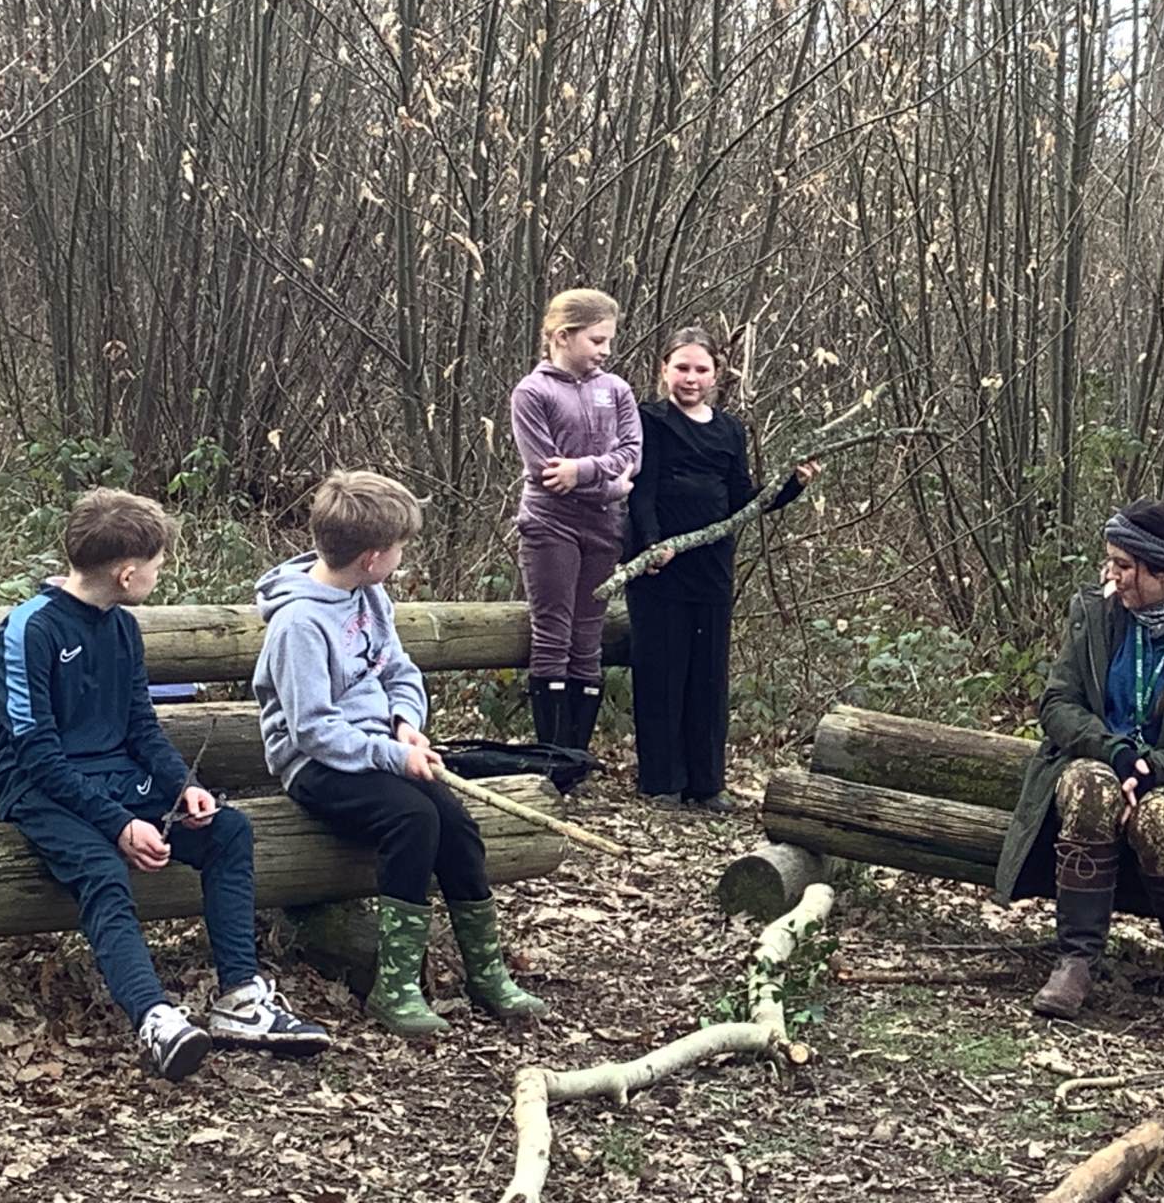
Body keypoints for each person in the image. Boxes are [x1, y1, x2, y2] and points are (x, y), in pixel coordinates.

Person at [0, 489, 328, 1080]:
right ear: (126, 573)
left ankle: (240, 999)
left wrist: (182, 786)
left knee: (228, 831)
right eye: (158, 564)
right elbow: (34, 752)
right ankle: (155, 1019)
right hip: (37, 789)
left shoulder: (122, 628)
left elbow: (141, 727)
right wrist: (119, 825)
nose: (160, 573)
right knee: (102, 870)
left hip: (116, 778)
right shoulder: (28, 630)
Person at [254, 469, 548, 1036]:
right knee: (412, 819)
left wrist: (405, 724)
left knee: (456, 824)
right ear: (372, 557)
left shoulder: (370, 596)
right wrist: (392, 756)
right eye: (399, 548)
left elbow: (398, 671)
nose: (401, 556)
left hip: (379, 747)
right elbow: (313, 730)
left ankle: (487, 973)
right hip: (315, 764)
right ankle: (395, 987)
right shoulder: (298, 624)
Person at [995, 500, 1164, 1029]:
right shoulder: (1096, 612)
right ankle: (1076, 961)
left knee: (1159, 816)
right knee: (1090, 786)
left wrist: (1153, 769)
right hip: (1096, 764)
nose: (1111, 575)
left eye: (1123, 565)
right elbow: (1057, 704)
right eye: (1110, 562)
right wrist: (1116, 754)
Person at [625, 327, 817, 811]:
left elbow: (742, 501)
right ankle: (662, 781)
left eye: (701, 369)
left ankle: (706, 783)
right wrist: (651, 544)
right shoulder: (649, 420)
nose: (691, 378)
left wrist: (792, 486)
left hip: (711, 566)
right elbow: (641, 492)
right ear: (664, 369)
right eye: (682, 368)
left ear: (716, 375)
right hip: (660, 566)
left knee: (708, 676)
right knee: (662, 673)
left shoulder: (730, 430)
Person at [509, 287, 642, 751]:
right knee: (553, 632)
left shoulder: (617, 390)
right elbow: (546, 472)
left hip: (604, 527)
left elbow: (632, 454)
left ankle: (575, 755)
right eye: (597, 340)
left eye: (609, 341)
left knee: (588, 635)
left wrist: (584, 472)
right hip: (550, 526)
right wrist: (611, 484)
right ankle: (549, 755)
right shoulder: (532, 392)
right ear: (562, 336)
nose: (605, 351)